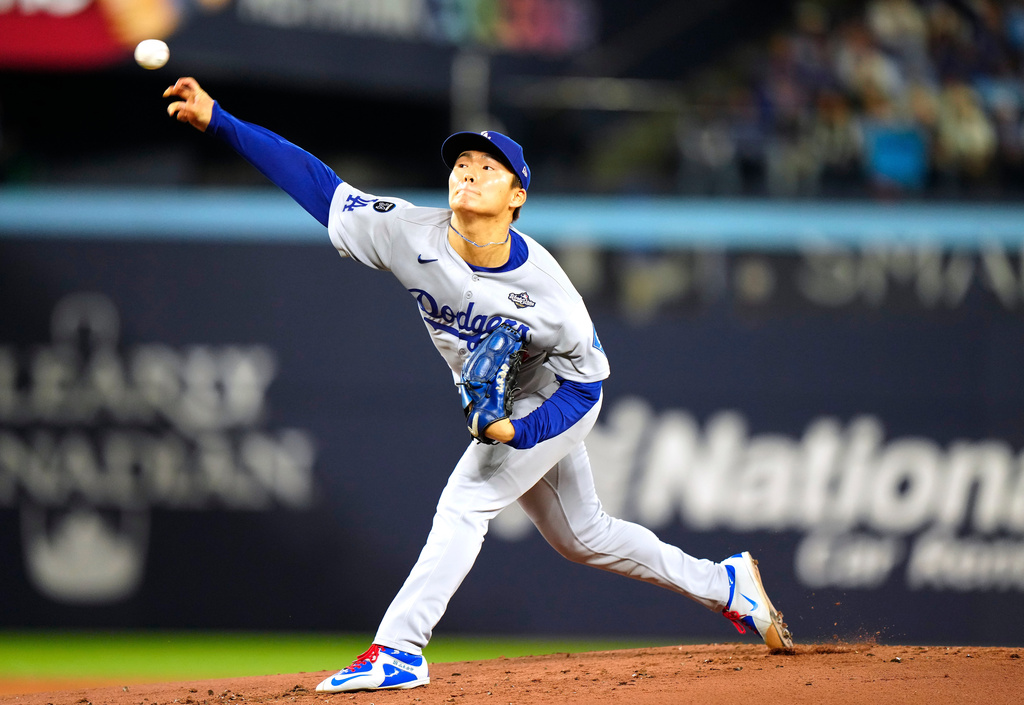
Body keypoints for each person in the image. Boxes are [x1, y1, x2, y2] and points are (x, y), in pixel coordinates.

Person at [163, 76, 794, 693]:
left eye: (486, 166)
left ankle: (400, 648)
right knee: (584, 537)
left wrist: (516, 430)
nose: (467, 171)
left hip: (556, 398)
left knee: (467, 500)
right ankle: (725, 584)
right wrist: (221, 121)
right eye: (461, 161)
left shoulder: (552, 296)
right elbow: (318, 185)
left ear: (517, 194)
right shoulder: (409, 231)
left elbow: (585, 391)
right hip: (506, 400)